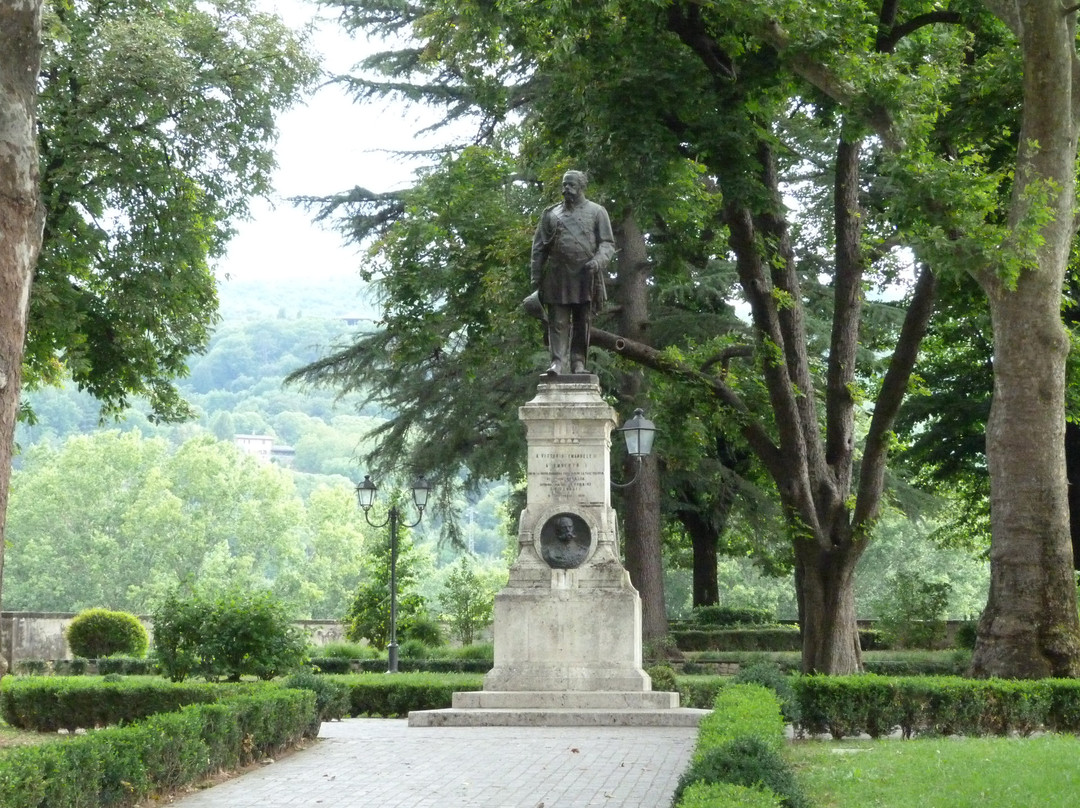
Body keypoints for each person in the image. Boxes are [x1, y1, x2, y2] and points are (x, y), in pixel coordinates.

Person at [530, 170, 616, 375]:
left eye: (570, 185)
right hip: (556, 276)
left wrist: (598, 261)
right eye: (564, 185)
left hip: (585, 275)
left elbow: (607, 243)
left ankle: (578, 363)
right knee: (557, 322)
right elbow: (538, 248)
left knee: (582, 321)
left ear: (581, 187)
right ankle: (557, 363)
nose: (565, 189)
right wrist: (535, 277)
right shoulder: (550, 214)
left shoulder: (597, 212)